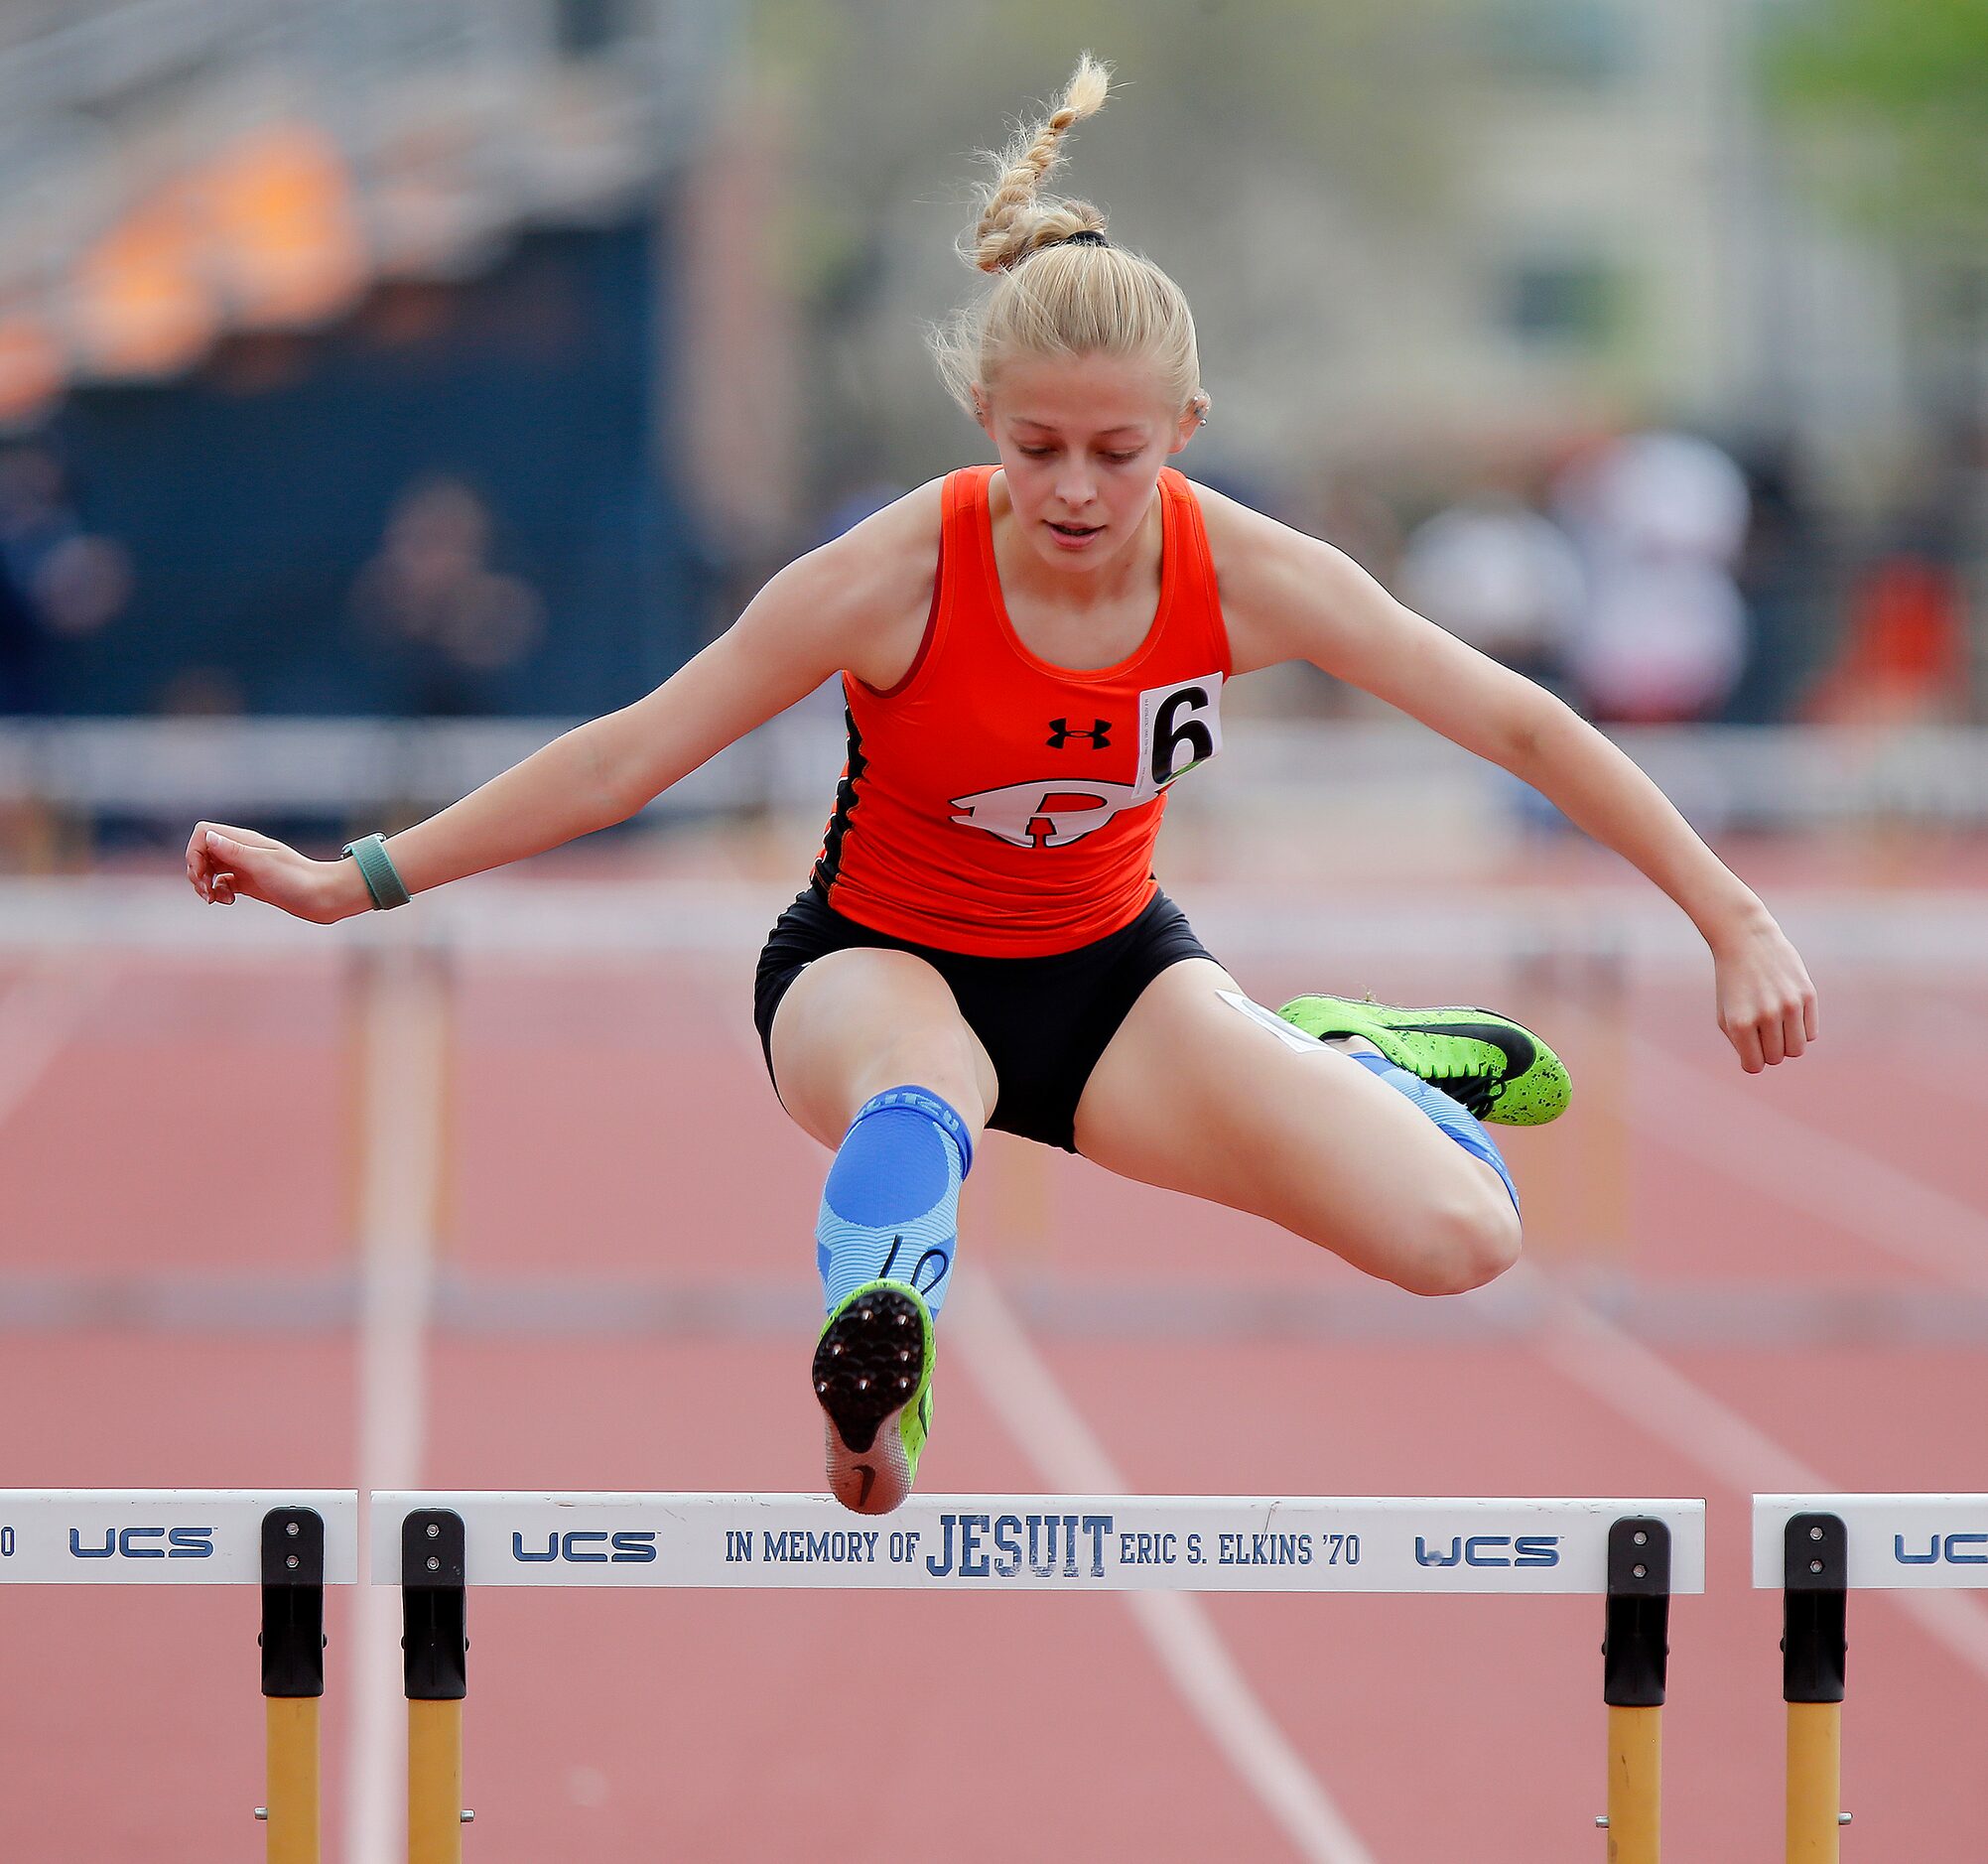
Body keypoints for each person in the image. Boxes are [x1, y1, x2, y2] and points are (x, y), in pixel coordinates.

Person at [185, 57, 1818, 1517]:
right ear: (984, 420)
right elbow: (628, 753)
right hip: (871, 964)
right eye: (1038, 447)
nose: (1078, 489)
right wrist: (360, 878)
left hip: (1116, 983)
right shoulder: (892, 573)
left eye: (1120, 452)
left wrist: (1730, 916)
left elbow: (1520, 725)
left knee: (1468, 1237)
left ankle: (1335, 1046)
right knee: (923, 1098)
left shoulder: (1247, 574)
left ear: (1185, 427)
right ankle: (883, 1378)